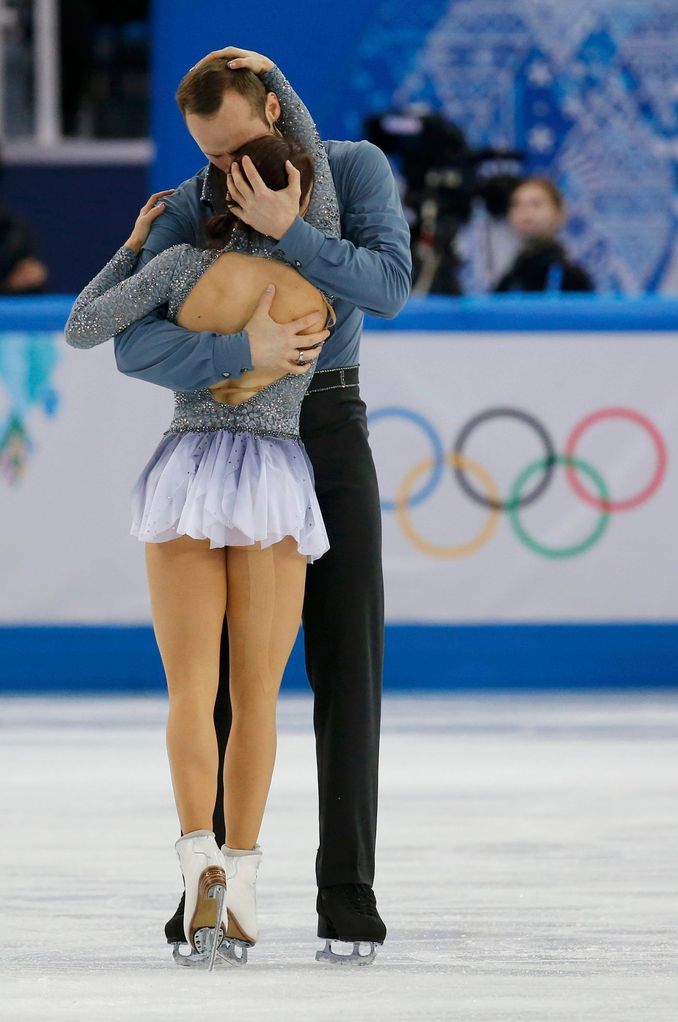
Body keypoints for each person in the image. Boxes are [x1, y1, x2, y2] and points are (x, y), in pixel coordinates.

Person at [113, 46, 412, 965]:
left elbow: (388, 287)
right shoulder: (191, 205)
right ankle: (209, 887)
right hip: (233, 437)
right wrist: (240, 351)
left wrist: (289, 233)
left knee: (346, 667)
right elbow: (129, 345)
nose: (226, 169)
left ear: (275, 111)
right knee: (219, 681)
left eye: (240, 143)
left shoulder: (355, 168)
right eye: (210, 152)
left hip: (328, 431)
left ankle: (347, 893)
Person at [65, 83, 340, 969]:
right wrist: (277, 98)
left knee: (193, 691)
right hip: (270, 482)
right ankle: (247, 887)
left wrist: (137, 243)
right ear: (293, 195)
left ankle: (198, 867)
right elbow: (319, 182)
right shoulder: (316, 287)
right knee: (256, 695)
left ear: (222, 196)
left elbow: (84, 328)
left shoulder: (182, 267)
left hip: (188, 470)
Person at [494, 177, 594, 293]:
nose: (525, 211)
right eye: (516, 205)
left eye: (536, 204)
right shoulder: (509, 280)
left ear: (559, 213)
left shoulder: (573, 279)